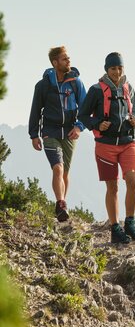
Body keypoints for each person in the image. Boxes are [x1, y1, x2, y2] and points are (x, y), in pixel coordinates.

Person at [78, 52, 135, 243]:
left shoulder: (129, 88)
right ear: (107, 69)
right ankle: (115, 228)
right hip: (105, 145)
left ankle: (130, 222)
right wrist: (97, 124)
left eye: (119, 67)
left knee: (133, 179)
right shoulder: (96, 90)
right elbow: (82, 116)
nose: (117, 71)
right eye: (113, 68)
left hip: (128, 141)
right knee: (112, 187)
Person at [29, 46, 87, 221]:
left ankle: (62, 207)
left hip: (70, 132)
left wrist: (79, 127)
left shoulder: (76, 82)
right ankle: (61, 203)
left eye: (68, 58)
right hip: (50, 132)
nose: (68, 61)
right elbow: (35, 110)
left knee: (65, 173)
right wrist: (34, 135)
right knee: (58, 168)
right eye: (64, 59)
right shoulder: (43, 85)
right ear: (55, 63)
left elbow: (85, 108)